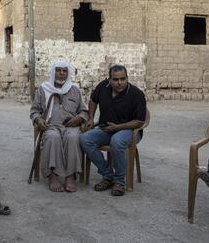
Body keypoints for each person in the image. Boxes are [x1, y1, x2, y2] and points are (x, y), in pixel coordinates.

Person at [79, 64, 147, 197]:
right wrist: (91, 118)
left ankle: (120, 182)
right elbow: (93, 100)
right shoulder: (103, 87)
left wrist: (117, 127)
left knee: (117, 141)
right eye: (115, 79)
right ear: (109, 80)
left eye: (123, 79)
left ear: (127, 78)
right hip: (106, 128)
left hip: (129, 130)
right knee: (84, 139)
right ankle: (108, 175)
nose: (119, 83)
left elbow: (139, 121)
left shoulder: (136, 94)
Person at [30, 61, 88, 192]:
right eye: (58, 70)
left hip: (70, 126)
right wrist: (39, 119)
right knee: (52, 137)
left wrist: (78, 118)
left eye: (64, 71)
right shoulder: (43, 89)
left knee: (73, 137)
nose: (61, 73)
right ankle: (52, 176)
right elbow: (34, 111)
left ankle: (70, 176)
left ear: (68, 73)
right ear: (53, 72)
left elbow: (84, 111)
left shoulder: (74, 90)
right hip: (50, 126)